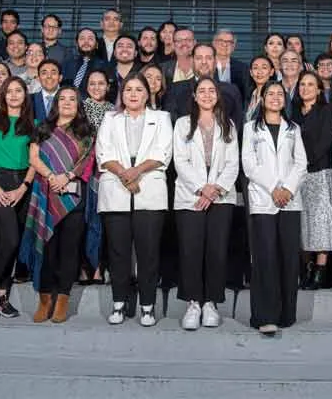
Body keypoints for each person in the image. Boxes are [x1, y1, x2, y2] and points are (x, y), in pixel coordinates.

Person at [96, 72, 173, 326]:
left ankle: (147, 306)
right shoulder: (110, 118)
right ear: (122, 93)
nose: (133, 94)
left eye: (139, 89)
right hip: (115, 187)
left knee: (148, 253)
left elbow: (163, 152)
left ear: (147, 94)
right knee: (118, 252)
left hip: (148, 187)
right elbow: (103, 152)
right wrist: (124, 173)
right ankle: (119, 303)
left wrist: (136, 171)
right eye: (128, 89)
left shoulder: (161, 118)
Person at [20, 86, 94, 324]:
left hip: (74, 198)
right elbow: (33, 158)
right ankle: (45, 301)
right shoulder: (43, 128)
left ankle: (62, 300)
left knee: (69, 251)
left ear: (78, 104)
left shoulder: (86, 131)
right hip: (47, 194)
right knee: (48, 249)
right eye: (63, 99)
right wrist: (52, 177)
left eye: (72, 99)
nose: (67, 103)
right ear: (56, 103)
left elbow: (88, 160)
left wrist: (68, 176)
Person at [242, 80, 308, 335]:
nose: (275, 97)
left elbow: (301, 163)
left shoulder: (294, 128)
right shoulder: (251, 128)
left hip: (289, 201)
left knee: (288, 258)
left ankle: (286, 314)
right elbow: (249, 164)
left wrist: (287, 189)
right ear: (262, 98)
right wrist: (274, 188)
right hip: (263, 200)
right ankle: (265, 316)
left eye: (280, 94)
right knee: (265, 258)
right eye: (270, 93)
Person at [173, 77, 239, 330]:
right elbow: (180, 161)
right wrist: (202, 188)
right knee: (191, 251)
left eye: (212, 91)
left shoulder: (228, 124)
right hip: (191, 196)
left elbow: (233, 163)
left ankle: (211, 303)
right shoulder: (182, 124)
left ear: (217, 95)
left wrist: (214, 190)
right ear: (194, 96)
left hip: (221, 198)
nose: (207, 95)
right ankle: (193, 303)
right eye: (202, 91)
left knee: (216, 251)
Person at [0, 76, 36, 318]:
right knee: (9, 239)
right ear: (3, 95)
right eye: (9, 91)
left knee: (12, 240)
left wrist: (23, 188)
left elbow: (34, 161)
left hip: (22, 183)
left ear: (25, 95)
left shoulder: (33, 124)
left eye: (18, 91)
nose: (13, 95)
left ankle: (3, 295)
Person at [290, 72, 332, 290]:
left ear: (319, 89)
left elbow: (325, 142)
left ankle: (320, 271)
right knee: (303, 223)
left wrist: (305, 162)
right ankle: (307, 269)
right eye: (302, 84)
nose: (305, 88)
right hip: (297, 176)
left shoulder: (326, 111)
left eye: (311, 84)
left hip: (319, 172)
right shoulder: (293, 112)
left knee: (321, 223)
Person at [81, 70, 115, 284]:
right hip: (80, 171)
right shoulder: (78, 109)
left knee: (100, 221)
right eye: (92, 83)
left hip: (105, 171)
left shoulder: (115, 112)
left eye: (101, 83)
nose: (96, 87)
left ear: (108, 87)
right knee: (82, 221)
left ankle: (98, 267)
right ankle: (83, 267)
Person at [163, 44, 244, 131]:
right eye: (199, 58)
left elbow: (237, 127)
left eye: (208, 58)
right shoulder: (175, 89)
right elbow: (170, 125)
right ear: (192, 61)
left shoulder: (231, 90)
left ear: (215, 61)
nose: (204, 62)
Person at [63, 27, 104, 93]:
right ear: (76, 44)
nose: (86, 42)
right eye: (82, 39)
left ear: (97, 44)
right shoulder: (67, 64)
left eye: (90, 39)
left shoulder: (104, 66)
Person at [213, 29, 249, 102]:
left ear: (233, 46)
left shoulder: (243, 68)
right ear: (214, 43)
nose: (224, 45)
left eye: (229, 42)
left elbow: (245, 96)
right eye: (221, 41)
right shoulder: (206, 65)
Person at [106, 35, 142, 104]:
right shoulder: (105, 73)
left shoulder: (144, 72)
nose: (124, 49)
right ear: (114, 53)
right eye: (120, 46)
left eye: (129, 46)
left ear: (135, 53)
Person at [245, 56, 275, 120]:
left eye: (264, 68)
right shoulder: (248, 95)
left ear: (271, 72)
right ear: (251, 73)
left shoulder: (279, 95)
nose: (259, 72)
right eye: (255, 68)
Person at [279, 50, 303, 116]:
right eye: (285, 61)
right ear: (280, 66)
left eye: (294, 61)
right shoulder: (273, 87)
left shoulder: (307, 88)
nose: (289, 64)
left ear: (300, 66)